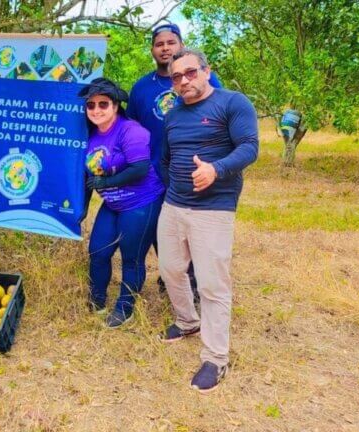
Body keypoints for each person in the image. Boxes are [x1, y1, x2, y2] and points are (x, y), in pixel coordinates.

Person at [157, 48, 258, 393]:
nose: (184, 80)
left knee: (213, 285)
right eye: (176, 77)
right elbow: (166, 158)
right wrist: (175, 187)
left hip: (214, 209)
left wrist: (216, 169)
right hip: (174, 206)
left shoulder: (232, 103)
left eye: (190, 72)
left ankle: (216, 358)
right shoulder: (173, 115)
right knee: (171, 270)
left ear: (206, 71)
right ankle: (187, 321)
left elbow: (249, 147)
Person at [127, 23, 223, 299]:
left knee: (195, 232)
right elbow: (131, 130)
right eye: (159, 44)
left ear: (181, 45)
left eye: (171, 42)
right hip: (153, 174)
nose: (165, 48)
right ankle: (173, 278)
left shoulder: (203, 79)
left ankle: (196, 283)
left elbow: (221, 113)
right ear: (152, 50)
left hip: (194, 170)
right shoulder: (141, 88)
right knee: (163, 230)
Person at [80, 78, 165, 328]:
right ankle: (97, 299)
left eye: (103, 104)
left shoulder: (130, 130)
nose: (96, 110)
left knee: (131, 257)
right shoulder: (90, 133)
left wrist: (105, 183)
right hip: (113, 203)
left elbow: (139, 168)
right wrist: (82, 208)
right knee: (98, 252)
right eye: (91, 105)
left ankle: (124, 308)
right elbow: (87, 177)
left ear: (116, 105)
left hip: (141, 202)